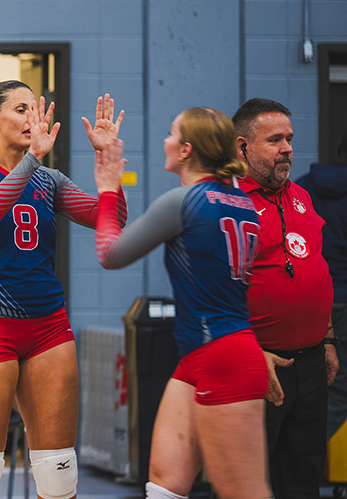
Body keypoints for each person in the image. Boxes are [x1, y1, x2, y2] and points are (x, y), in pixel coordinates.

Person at [0, 84, 124, 499]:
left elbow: (108, 221)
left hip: (48, 328)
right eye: (21, 109)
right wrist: (31, 161)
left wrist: (107, 169)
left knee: (59, 475)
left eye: (36, 109)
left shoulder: (48, 180)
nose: (32, 118)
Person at [93, 107, 271, 498]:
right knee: (164, 484)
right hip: (206, 354)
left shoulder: (183, 201)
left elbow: (110, 253)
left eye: (171, 133)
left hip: (222, 357)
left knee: (242, 491)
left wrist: (108, 187)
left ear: (187, 149)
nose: (165, 141)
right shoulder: (242, 201)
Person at [231, 98, 336, 498]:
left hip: (310, 363)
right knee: (248, 483)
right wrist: (250, 353)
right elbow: (216, 293)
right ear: (243, 147)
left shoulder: (302, 197)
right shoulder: (229, 203)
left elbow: (316, 268)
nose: (287, 148)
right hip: (259, 365)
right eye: (275, 140)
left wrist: (327, 339)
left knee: (303, 481)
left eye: (289, 139)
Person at [297, 133, 347, 438]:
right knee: (339, 389)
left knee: (298, 383)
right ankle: (298, 465)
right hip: (343, 302)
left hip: (304, 300)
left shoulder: (301, 188)